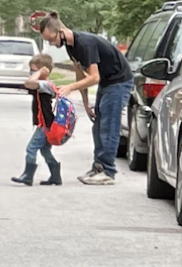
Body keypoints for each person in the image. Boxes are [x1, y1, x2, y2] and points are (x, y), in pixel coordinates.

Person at [37, 11, 133, 185]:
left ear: (60, 31)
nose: (50, 43)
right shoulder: (70, 46)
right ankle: (98, 167)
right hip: (107, 82)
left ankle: (107, 171)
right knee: (98, 126)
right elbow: (80, 74)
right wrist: (86, 103)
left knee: (108, 125)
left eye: (51, 39)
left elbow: (94, 77)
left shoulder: (84, 44)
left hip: (119, 81)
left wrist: (70, 88)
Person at [11, 53, 62, 186]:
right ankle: (56, 175)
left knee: (31, 148)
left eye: (33, 70)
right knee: (45, 150)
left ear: (44, 70)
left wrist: (39, 72)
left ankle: (28, 176)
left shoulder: (44, 84)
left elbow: (28, 83)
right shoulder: (44, 84)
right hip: (46, 123)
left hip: (44, 124)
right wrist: (38, 72)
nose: (31, 73)